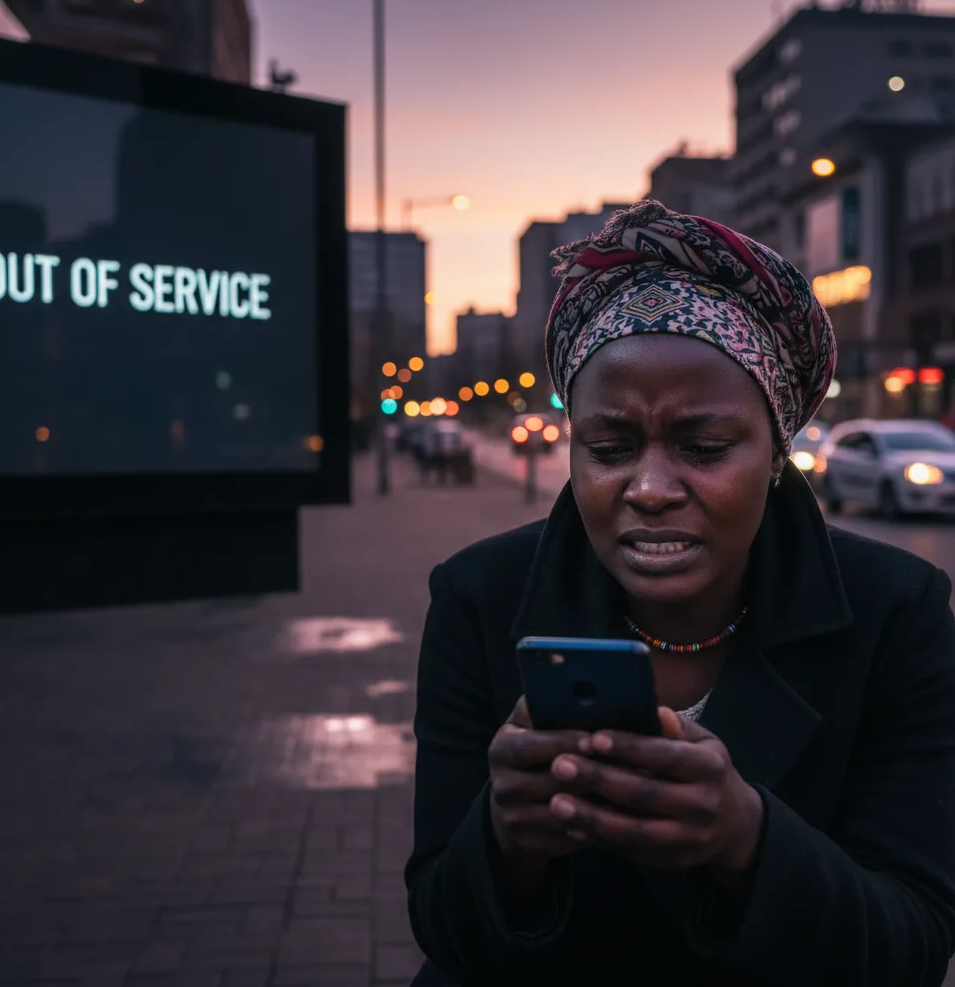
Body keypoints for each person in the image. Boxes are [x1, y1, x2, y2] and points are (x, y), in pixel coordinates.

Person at [403, 200, 955, 986]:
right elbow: (440, 924)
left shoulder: (897, 611)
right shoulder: (478, 598)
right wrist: (505, 840)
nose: (651, 488)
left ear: (776, 453)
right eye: (610, 447)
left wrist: (747, 839)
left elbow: (914, 945)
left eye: (702, 446)